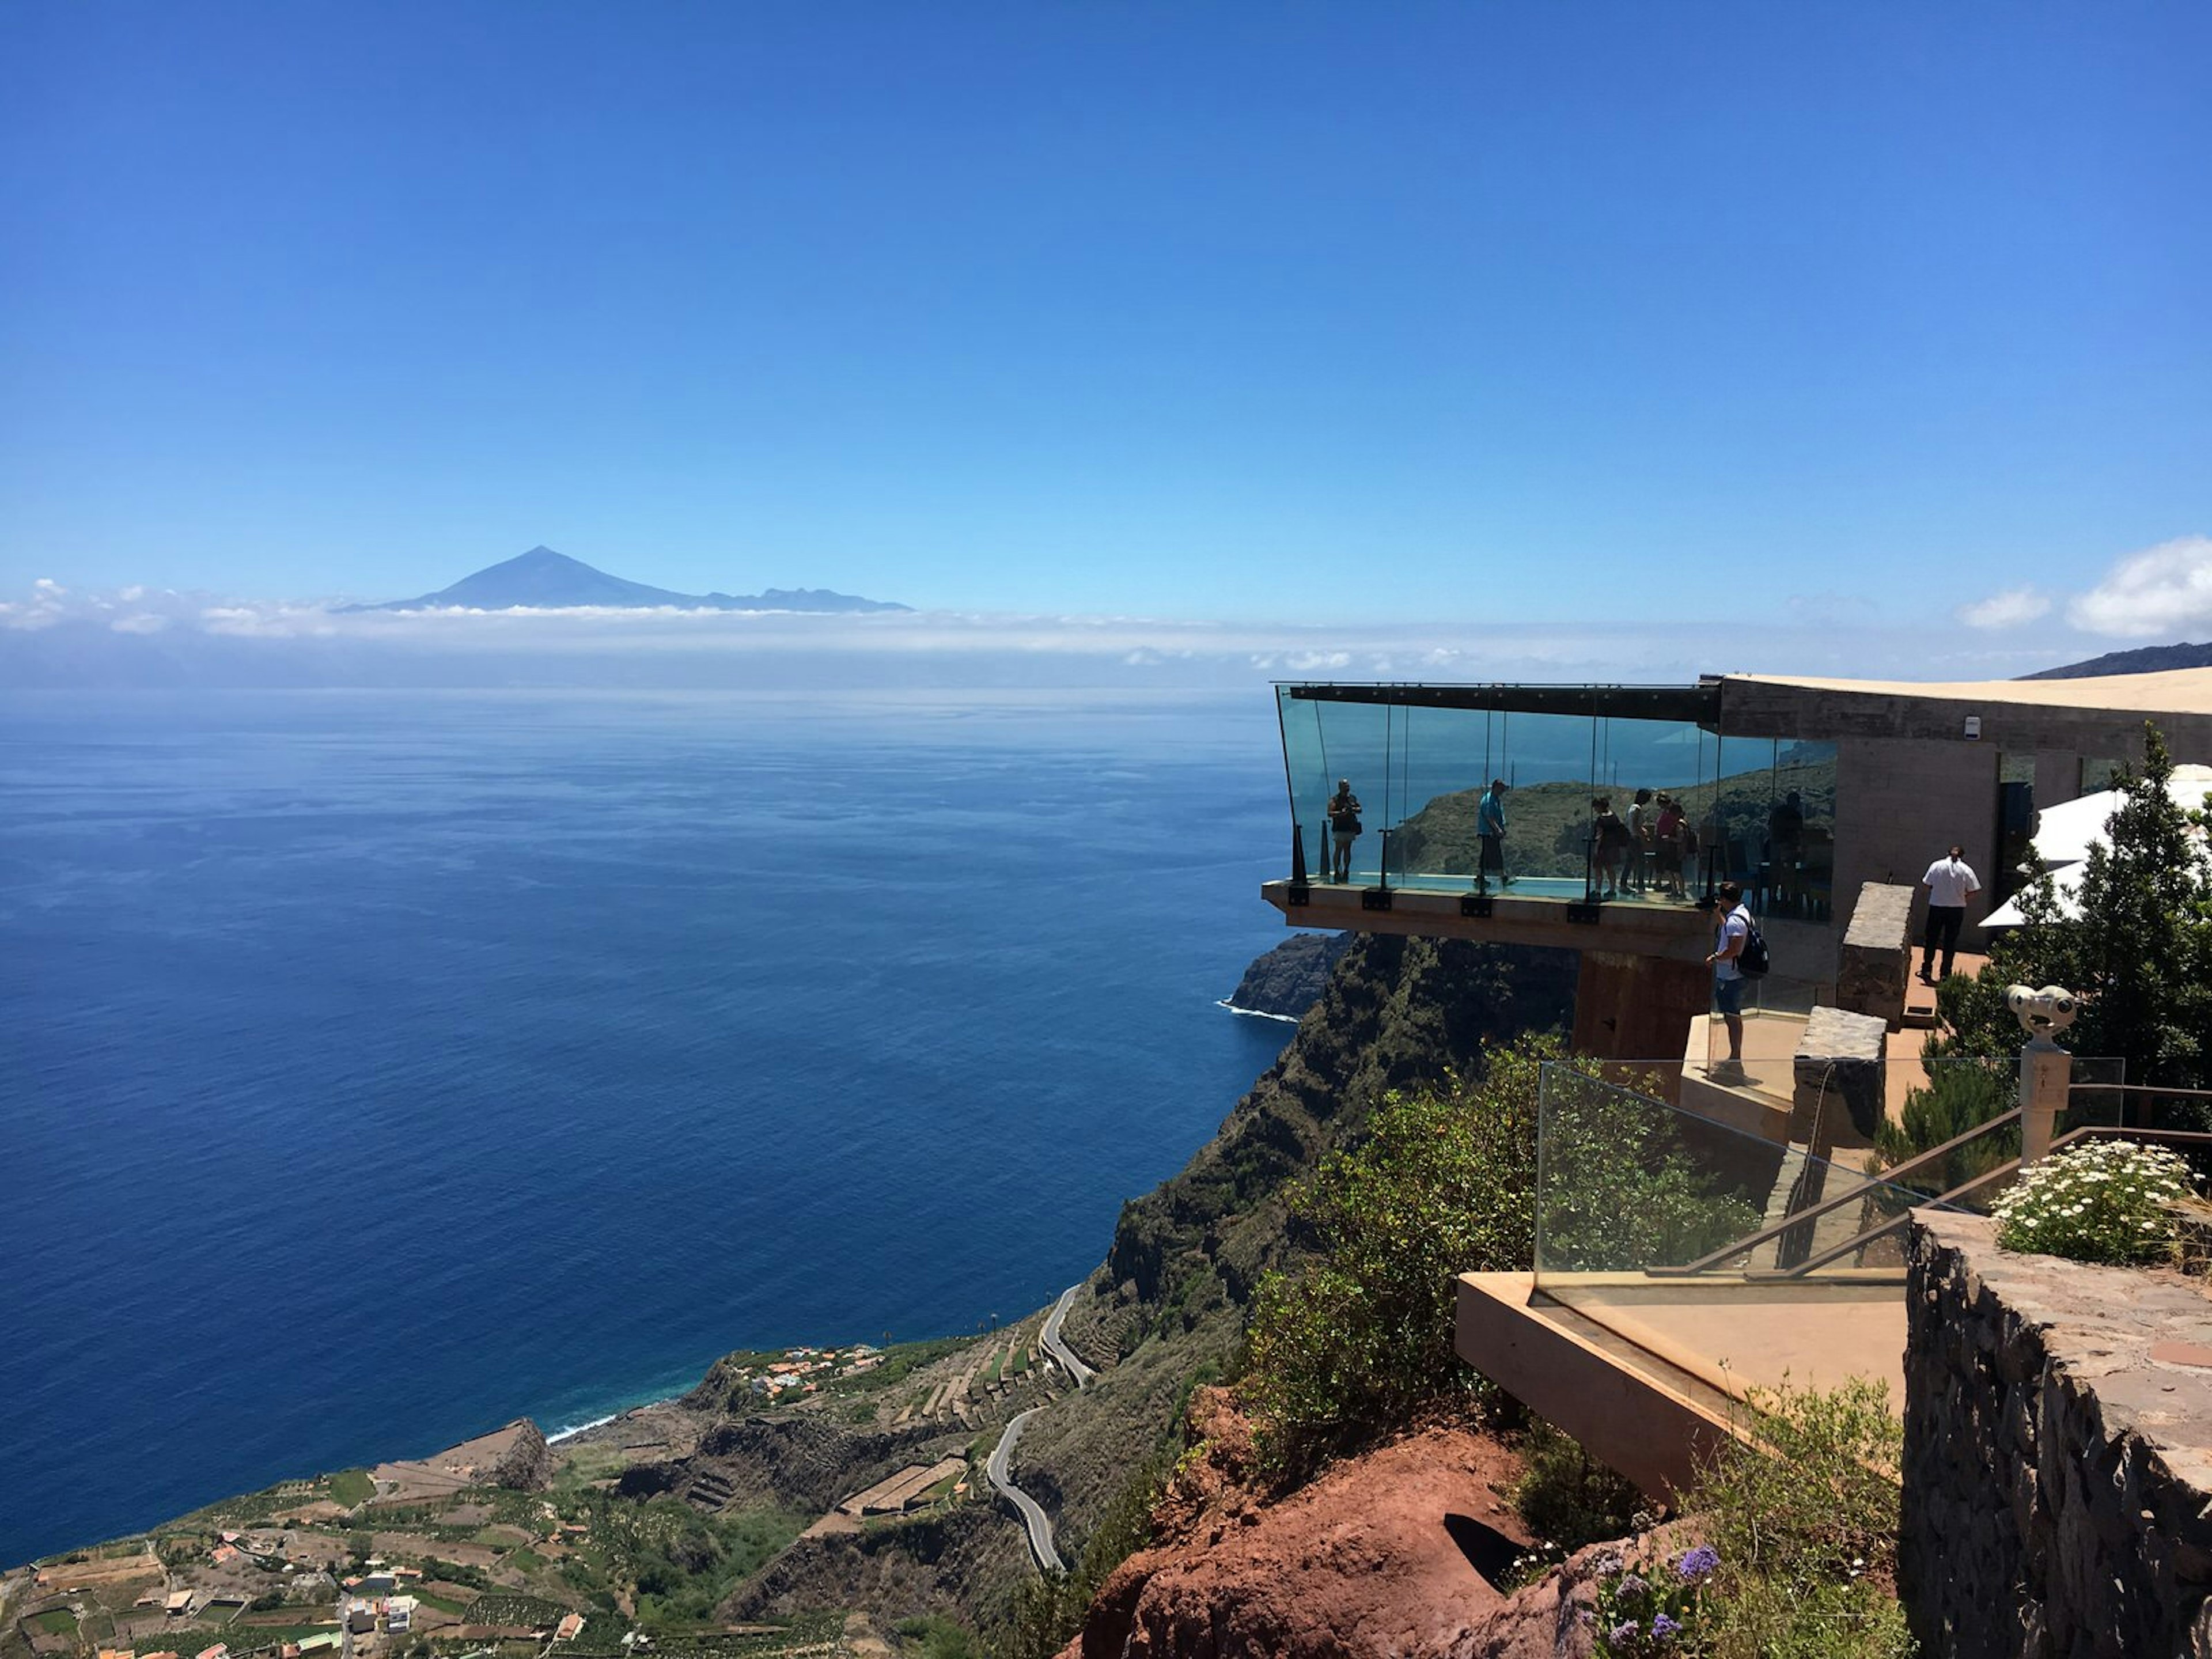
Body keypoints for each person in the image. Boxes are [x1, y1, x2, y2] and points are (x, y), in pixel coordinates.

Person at [1706, 879, 1752, 1074]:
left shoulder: (1735, 920)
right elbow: (1730, 932)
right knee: (1731, 1015)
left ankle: (1735, 1057)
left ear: (1725, 899)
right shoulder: (1739, 915)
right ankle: (1735, 1056)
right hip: (1732, 975)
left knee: (1732, 1017)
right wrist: (1719, 917)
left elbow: (1733, 949)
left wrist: (1715, 957)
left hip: (1731, 977)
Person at [1920, 844, 1982, 982]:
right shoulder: (1966, 870)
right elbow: (1974, 891)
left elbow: (1926, 884)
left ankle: (1926, 969)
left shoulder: (1936, 866)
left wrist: (1937, 893)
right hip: (1956, 909)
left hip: (1937, 907)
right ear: (1962, 856)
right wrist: (1961, 899)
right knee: (1950, 942)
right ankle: (1945, 973)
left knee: (1931, 939)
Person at [1590, 796, 1632, 897]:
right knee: (1610, 869)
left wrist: (1596, 848)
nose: (1595, 810)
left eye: (1596, 807)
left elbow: (1599, 835)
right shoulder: (1614, 816)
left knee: (1598, 869)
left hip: (1603, 847)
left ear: (1600, 807)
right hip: (1613, 847)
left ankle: (1597, 891)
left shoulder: (1601, 819)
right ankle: (1612, 890)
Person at [1327, 779, 1362, 884]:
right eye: (1345, 786)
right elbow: (1330, 813)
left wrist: (1353, 810)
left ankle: (1346, 870)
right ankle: (1337, 870)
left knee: (1347, 849)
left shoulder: (1352, 798)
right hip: (1339, 828)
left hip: (1349, 827)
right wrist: (1341, 813)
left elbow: (1360, 809)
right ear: (1340, 787)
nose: (1347, 788)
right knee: (1338, 849)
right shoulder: (1335, 799)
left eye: (1348, 786)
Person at [1476, 778, 1510, 888]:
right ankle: (1503, 878)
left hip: (1490, 833)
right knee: (1496, 855)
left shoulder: (1495, 799)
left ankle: (1480, 878)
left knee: (1486, 856)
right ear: (1496, 788)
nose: (1503, 792)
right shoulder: (1489, 800)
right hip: (1489, 833)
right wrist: (1498, 830)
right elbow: (1490, 817)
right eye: (1502, 789)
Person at [1654, 793, 1685, 897]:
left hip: (1674, 849)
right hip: (1669, 847)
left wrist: (1670, 838)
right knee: (1669, 870)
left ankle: (1681, 892)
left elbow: (1680, 839)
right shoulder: (1674, 821)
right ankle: (1675, 890)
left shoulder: (1679, 825)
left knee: (1676, 871)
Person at [1626, 787, 1656, 892]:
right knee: (1641, 862)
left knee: (1630, 862)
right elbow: (1635, 825)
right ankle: (1641, 887)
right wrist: (1643, 836)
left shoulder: (1632, 808)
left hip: (1630, 838)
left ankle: (1623, 884)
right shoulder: (1637, 809)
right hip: (1635, 839)